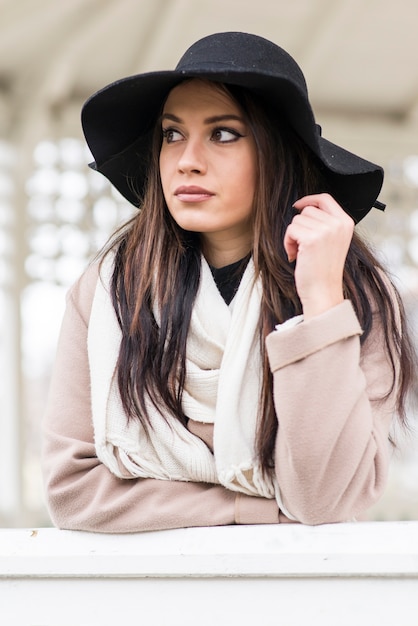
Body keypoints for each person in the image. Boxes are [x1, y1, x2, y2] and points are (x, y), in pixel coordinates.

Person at [42, 31, 415, 532]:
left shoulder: (358, 297)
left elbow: (326, 498)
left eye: (222, 134)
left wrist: (322, 304)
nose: (186, 158)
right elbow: (73, 491)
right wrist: (255, 509)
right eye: (172, 134)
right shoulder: (109, 293)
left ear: (277, 153)